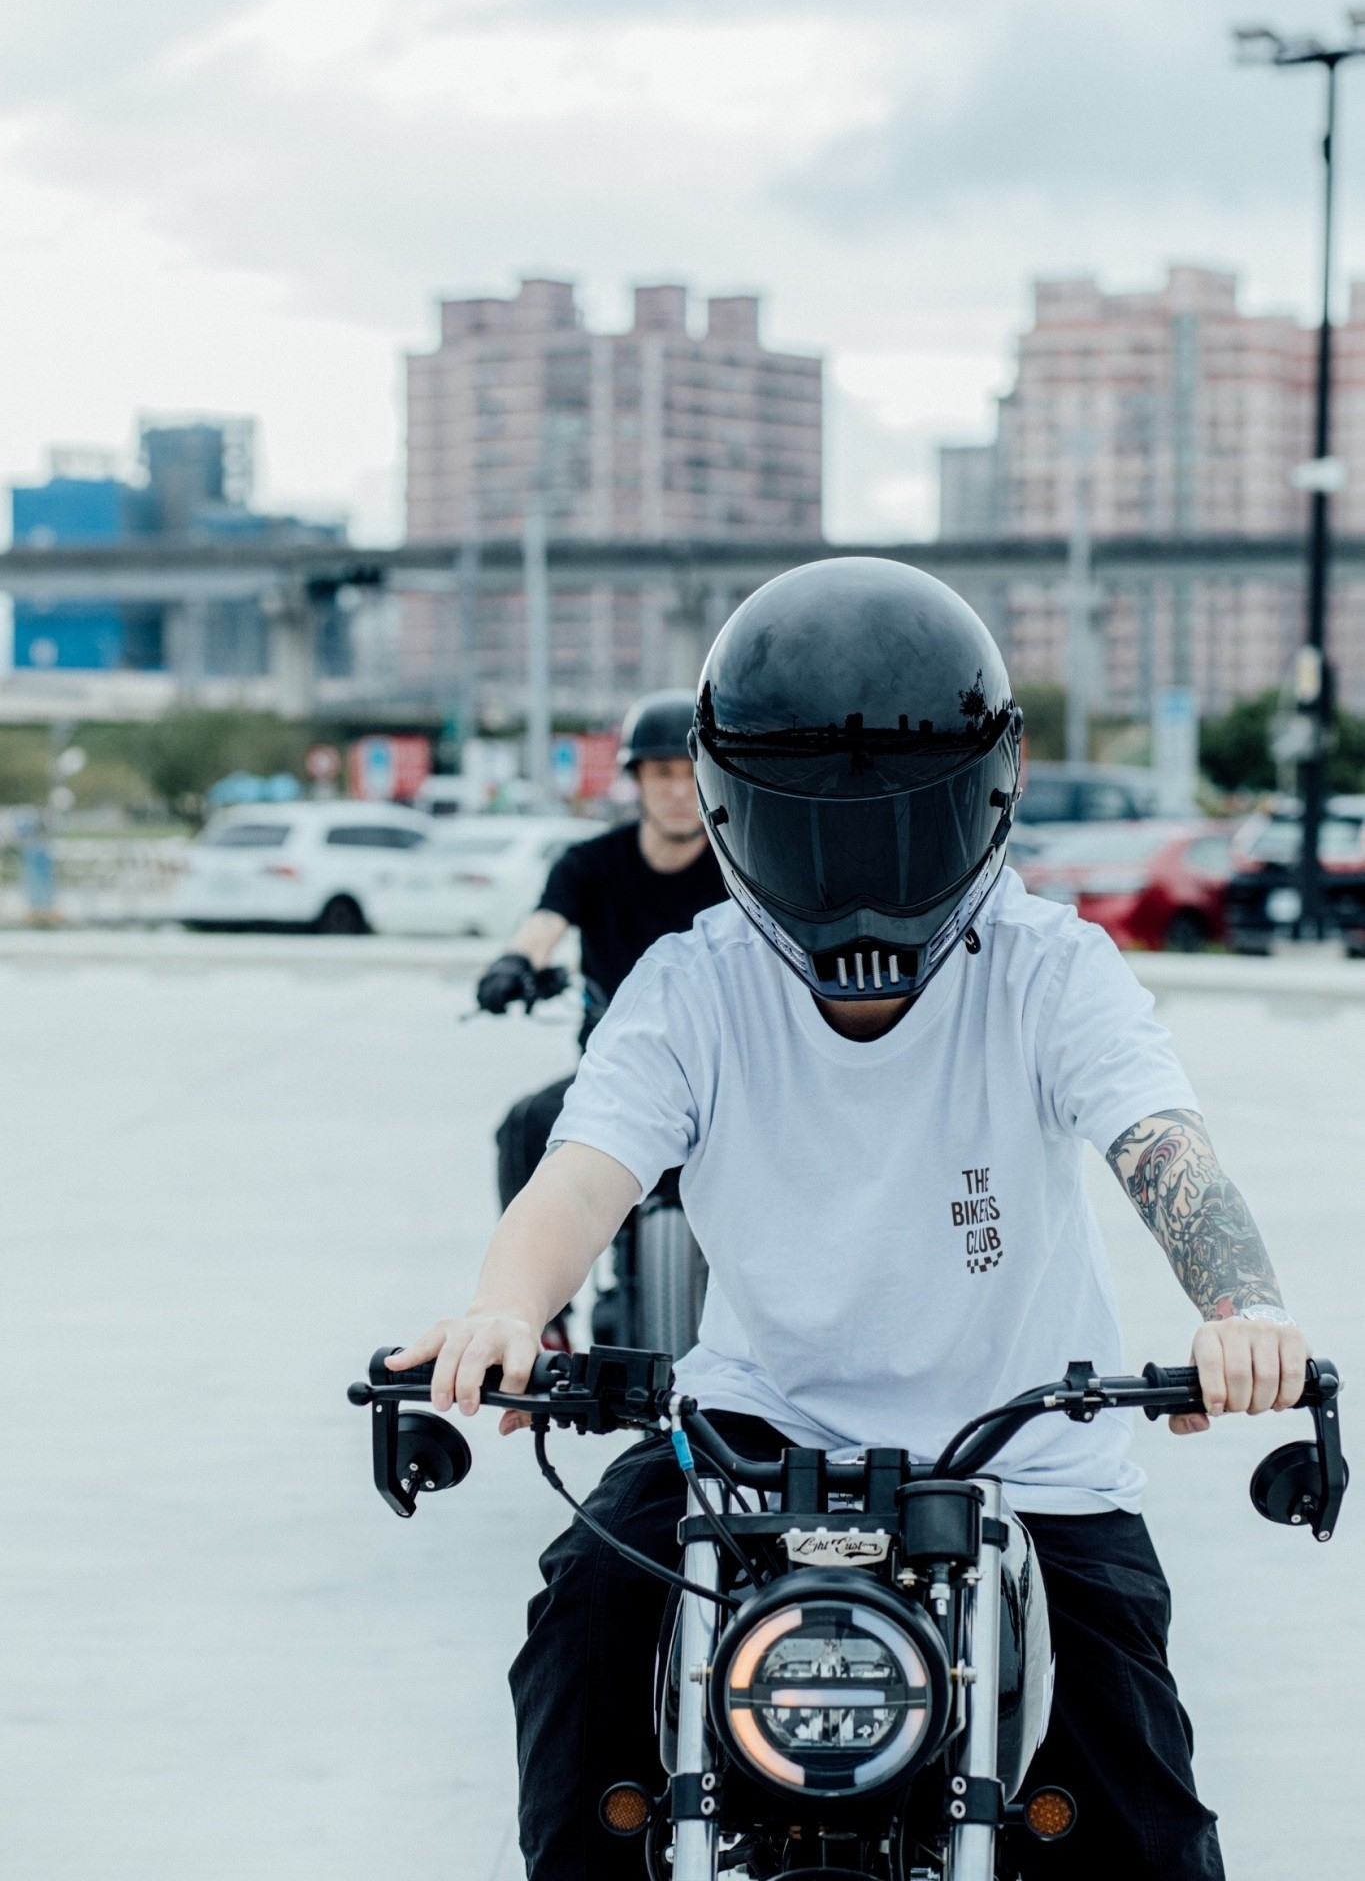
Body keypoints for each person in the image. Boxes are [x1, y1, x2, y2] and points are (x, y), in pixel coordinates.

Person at [393, 559, 1307, 1881]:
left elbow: (1158, 1143)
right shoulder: (693, 984)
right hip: (752, 1433)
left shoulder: (1054, 969)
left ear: (985, 789)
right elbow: (584, 1175)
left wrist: (1242, 1308)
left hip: (1030, 1449)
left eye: (899, 816)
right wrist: (503, 1310)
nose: (859, 869)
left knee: (1145, 1823)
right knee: (580, 1629)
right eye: (811, 816)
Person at [475, 692, 727, 1343]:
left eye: (691, 773)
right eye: (662, 773)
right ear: (635, 779)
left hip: (723, 1082)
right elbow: (542, 927)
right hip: (620, 1082)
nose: (679, 790)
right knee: (526, 1124)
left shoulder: (741, 867)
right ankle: (545, 1323)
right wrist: (513, 965)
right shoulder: (589, 864)